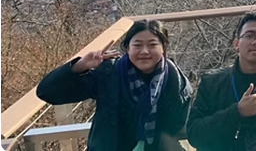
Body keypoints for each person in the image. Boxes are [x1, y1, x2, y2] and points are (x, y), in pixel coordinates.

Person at [37, 19, 192, 151]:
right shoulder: (109, 73)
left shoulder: (177, 82)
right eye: (137, 45)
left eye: (152, 45)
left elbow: (176, 127)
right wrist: (80, 66)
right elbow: (47, 92)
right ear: (126, 48)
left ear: (163, 49)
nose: (145, 51)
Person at [187, 11, 256, 151]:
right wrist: (236, 112)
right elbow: (194, 134)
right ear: (236, 44)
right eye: (249, 35)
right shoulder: (212, 83)